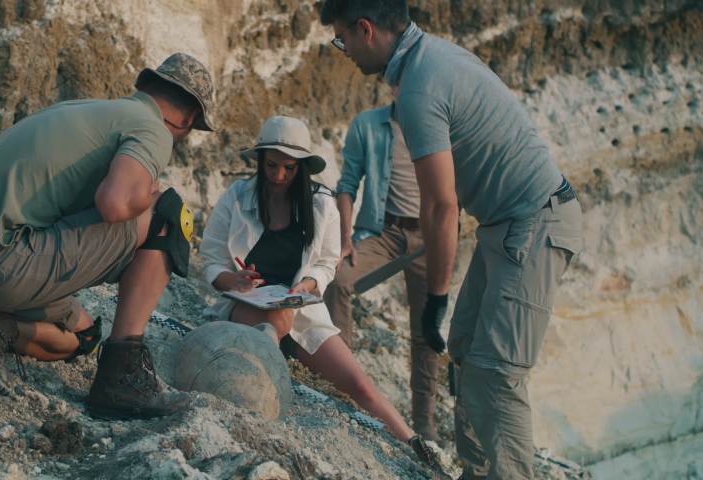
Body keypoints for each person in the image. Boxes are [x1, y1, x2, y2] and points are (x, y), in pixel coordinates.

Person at [319, 2, 584, 479]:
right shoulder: (433, 57)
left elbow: (441, 207)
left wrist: (436, 298)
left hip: (535, 221)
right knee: (463, 350)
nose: (345, 51)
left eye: (343, 39)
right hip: (504, 225)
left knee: (495, 373)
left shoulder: (421, 84)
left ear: (366, 29)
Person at [0, 53, 217, 420]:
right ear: (188, 118)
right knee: (169, 214)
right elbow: (115, 203)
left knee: (82, 337)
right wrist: (150, 193)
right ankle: (122, 378)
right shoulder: (152, 129)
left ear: (145, 86)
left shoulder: (86, 110)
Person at [199, 115, 446, 473]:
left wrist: (308, 285)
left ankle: (416, 445)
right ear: (260, 158)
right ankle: (265, 376)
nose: (278, 175)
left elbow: (328, 263)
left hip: (301, 309)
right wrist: (231, 281)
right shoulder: (236, 196)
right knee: (276, 315)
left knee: (359, 384)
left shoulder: (321, 204)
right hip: (247, 306)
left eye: (288, 167)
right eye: (271, 164)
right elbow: (210, 260)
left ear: (302, 168)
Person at [323, 90, 443, 444]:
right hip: (384, 231)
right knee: (339, 279)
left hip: (431, 237)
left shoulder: (442, 127)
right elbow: (346, 186)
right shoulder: (367, 124)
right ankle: (342, 386)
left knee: (427, 328)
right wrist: (346, 237)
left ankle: (425, 422)